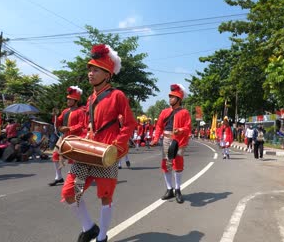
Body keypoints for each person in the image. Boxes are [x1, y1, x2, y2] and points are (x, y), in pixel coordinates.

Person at [60, 44, 136, 242]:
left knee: (105, 196)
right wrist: (76, 137)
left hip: (106, 152)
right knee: (69, 193)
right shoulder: (90, 99)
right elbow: (87, 125)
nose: (90, 74)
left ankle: (102, 236)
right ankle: (89, 227)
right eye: (90, 69)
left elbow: (129, 123)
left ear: (107, 74)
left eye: (95, 70)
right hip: (87, 151)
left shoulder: (117, 95)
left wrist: (116, 147)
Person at [151, 84, 191, 204]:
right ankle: (169, 189)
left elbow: (188, 127)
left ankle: (178, 189)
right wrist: (155, 138)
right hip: (166, 140)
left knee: (178, 164)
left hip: (178, 141)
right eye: (170, 96)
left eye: (173, 97)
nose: (170, 99)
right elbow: (159, 126)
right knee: (166, 165)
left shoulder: (184, 112)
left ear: (179, 99)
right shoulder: (164, 112)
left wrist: (181, 130)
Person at [49, 86, 85, 186]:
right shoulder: (65, 111)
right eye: (67, 99)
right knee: (55, 155)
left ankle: (76, 177)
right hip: (64, 137)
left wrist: (69, 128)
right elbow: (58, 122)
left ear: (76, 100)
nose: (68, 101)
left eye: (70, 99)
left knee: (74, 159)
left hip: (75, 138)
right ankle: (58, 177)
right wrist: (55, 116)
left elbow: (82, 125)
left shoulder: (80, 111)